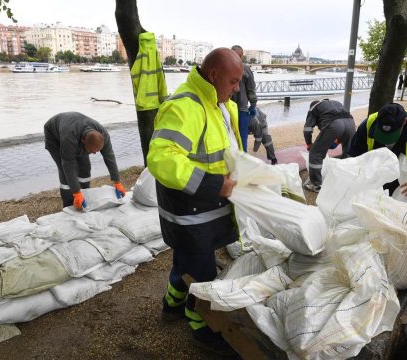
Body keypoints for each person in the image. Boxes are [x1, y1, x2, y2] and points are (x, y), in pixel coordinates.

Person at [147, 48, 242, 356]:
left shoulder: (219, 103)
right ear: (213, 75)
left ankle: (171, 305)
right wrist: (216, 184)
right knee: (202, 273)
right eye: (234, 81)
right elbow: (162, 159)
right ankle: (202, 328)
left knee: (186, 261)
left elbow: (227, 149)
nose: (237, 88)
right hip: (190, 214)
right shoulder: (185, 106)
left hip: (209, 208)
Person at [44, 112, 126, 209]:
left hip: (76, 130)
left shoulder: (103, 135)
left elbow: (110, 157)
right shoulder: (69, 138)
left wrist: (117, 181)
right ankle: (69, 203)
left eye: (97, 151)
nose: (95, 153)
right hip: (54, 135)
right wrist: (76, 192)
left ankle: (85, 195)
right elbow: (68, 165)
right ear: (83, 142)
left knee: (85, 167)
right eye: (92, 151)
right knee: (65, 171)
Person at [303, 99, 356, 192]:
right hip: (351, 123)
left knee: (315, 154)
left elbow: (307, 129)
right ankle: (349, 181)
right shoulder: (336, 103)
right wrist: (337, 141)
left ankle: (315, 185)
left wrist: (309, 144)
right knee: (349, 153)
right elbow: (342, 123)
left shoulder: (314, 108)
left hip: (334, 125)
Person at [230, 45, 257, 153]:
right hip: (242, 109)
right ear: (241, 56)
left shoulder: (224, 67)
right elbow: (251, 89)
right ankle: (242, 159)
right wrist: (253, 105)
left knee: (227, 136)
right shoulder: (246, 69)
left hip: (225, 108)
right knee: (242, 137)